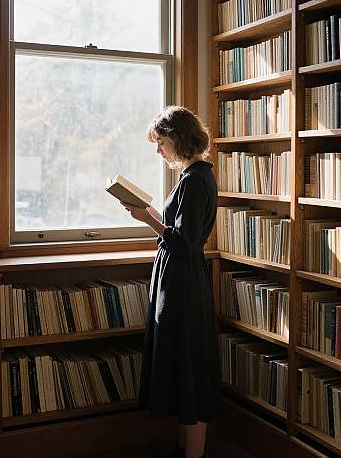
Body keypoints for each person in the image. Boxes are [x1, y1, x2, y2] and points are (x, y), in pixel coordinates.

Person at [121, 106, 220, 458]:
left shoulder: (195, 180)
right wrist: (149, 215)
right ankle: (185, 448)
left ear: (177, 138)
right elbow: (180, 233)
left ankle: (193, 452)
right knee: (183, 359)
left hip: (183, 280)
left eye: (160, 142)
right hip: (180, 277)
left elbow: (183, 241)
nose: (158, 150)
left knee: (189, 362)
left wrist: (147, 218)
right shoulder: (193, 177)